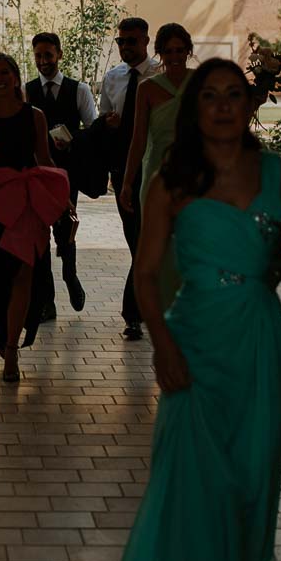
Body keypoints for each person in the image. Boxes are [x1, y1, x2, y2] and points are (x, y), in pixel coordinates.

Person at [90, 59, 281, 561]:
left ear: (249, 104)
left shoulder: (274, 172)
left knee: (251, 480)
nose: (223, 106)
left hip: (261, 344)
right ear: (193, 109)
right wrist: (162, 346)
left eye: (235, 95)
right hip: (196, 343)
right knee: (203, 488)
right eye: (210, 96)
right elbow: (147, 275)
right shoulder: (172, 182)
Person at [0, 53, 69, 383]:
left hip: (28, 206)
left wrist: (61, 201)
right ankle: (2, 326)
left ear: (17, 77)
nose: (0, 79)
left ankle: (11, 350)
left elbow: (44, 159)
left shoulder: (34, 116)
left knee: (24, 274)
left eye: (5, 72)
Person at [119, 23, 195, 313]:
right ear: (159, 53)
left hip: (192, 173)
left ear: (188, 51)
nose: (175, 56)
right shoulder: (147, 88)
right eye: (168, 51)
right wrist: (127, 182)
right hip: (155, 175)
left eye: (180, 50)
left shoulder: (201, 83)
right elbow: (138, 140)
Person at [25, 32, 97, 320]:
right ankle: (46, 301)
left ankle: (70, 274)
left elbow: (93, 129)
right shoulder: (27, 90)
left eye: (48, 55)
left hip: (68, 173)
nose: (43, 61)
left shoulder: (79, 90)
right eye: (39, 56)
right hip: (36, 173)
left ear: (59, 55)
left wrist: (74, 139)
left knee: (65, 228)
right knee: (38, 235)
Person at [97, 17, 160, 340]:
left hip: (158, 169)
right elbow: (103, 119)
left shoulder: (161, 75)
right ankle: (139, 310)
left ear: (146, 41)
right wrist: (108, 123)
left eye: (132, 41)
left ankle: (134, 313)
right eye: (121, 41)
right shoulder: (113, 78)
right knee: (137, 240)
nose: (125, 47)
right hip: (123, 170)